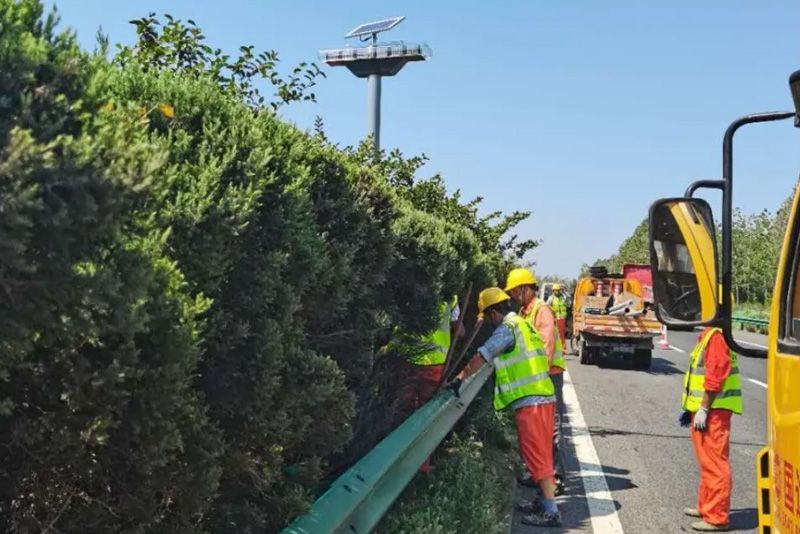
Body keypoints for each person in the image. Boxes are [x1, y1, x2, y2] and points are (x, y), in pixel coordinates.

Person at [450, 287, 561, 527]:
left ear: (492, 313)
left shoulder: (507, 329)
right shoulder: (522, 324)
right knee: (541, 453)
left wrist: (460, 378)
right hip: (541, 396)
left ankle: (551, 512)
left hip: (531, 401)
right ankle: (543, 502)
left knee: (537, 456)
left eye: (487, 317)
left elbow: (483, 355)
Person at [505, 268, 567, 494]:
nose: (512, 296)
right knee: (537, 430)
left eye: (514, 291)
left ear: (524, 288)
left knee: (551, 428)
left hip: (547, 376)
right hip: (536, 378)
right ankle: (539, 474)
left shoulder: (541, 310)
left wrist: (538, 377)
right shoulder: (524, 312)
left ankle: (555, 478)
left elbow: (546, 346)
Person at [679, 326, 742, 532]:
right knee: (707, 462)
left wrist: (704, 408)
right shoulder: (709, 335)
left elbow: (716, 374)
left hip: (713, 410)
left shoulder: (715, 337)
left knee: (715, 463)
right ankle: (706, 507)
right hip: (706, 409)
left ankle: (716, 517)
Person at [398, 296, 462, 473]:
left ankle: (398, 460)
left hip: (407, 358)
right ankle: (422, 465)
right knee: (427, 413)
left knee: (403, 410)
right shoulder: (451, 296)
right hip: (434, 363)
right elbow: (459, 329)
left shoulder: (411, 284)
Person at [547, 283, 569, 349]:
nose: (556, 292)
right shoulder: (551, 298)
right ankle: (553, 348)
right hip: (555, 319)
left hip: (562, 319)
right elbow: (547, 306)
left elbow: (568, 302)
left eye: (558, 290)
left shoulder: (563, 297)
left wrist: (565, 292)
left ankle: (563, 349)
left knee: (562, 335)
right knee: (554, 334)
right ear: (553, 291)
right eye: (555, 290)